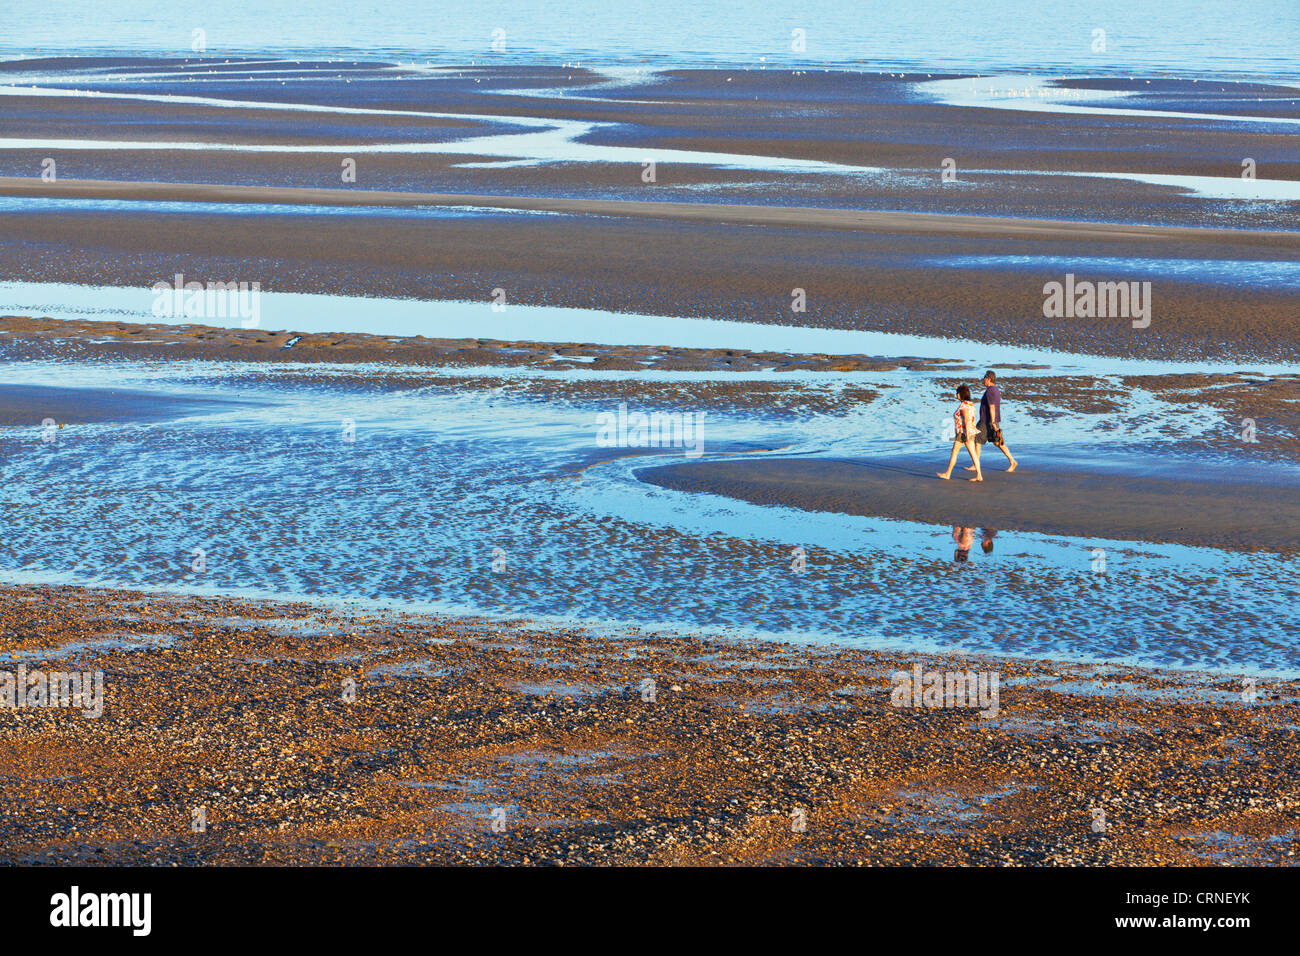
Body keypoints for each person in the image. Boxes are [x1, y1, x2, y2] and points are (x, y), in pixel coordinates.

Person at [967, 370, 1018, 473]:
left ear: (989, 379)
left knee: (977, 440)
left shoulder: (990, 391)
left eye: (984, 378)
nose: (983, 380)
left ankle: (976, 464)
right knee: (996, 442)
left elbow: (992, 407)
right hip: (991, 420)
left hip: (987, 421)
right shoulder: (996, 390)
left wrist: (994, 424)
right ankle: (1012, 461)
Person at [938, 384, 983, 482]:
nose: (956, 395)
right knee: (973, 454)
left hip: (963, 432)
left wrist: (966, 435)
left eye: (957, 393)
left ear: (961, 394)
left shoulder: (964, 405)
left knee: (954, 452)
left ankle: (948, 474)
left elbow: (966, 420)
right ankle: (979, 475)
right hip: (970, 431)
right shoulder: (971, 404)